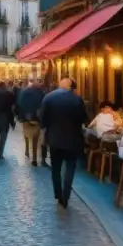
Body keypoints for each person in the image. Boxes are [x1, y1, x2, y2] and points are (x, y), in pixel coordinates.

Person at [39, 77, 88, 208]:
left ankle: (58, 194)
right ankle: (66, 195)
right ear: (70, 87)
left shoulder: (48, 98)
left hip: (54, 140)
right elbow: (84, 118)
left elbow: (42, 119)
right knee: (70, 168)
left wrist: (46, 132)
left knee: (55, 168)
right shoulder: (77, 99)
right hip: (73, 139)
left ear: (60, 85)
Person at [17, 77, 46, 166]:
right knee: (36, 138)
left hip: (26, 118)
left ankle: (26, 150)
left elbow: (20, 104)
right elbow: (43, 106)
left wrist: (21, 117)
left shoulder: (25, 92)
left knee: (26, 135)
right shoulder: (41, 93)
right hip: (37, 118)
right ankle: (34, 159)